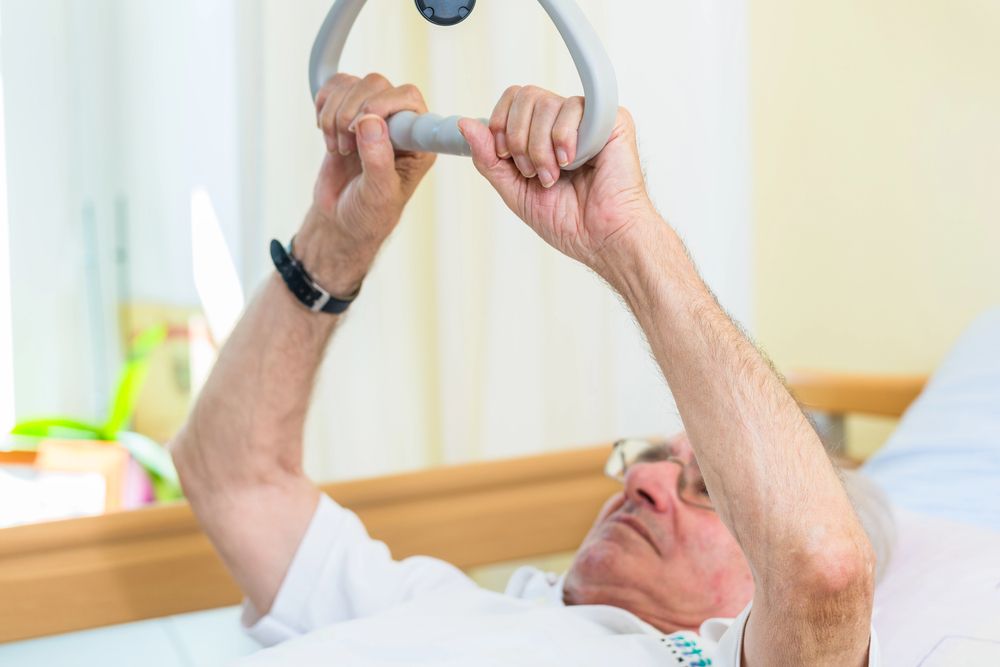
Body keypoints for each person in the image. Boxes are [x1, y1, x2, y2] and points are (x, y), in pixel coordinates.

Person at [170, 73, 881, 666]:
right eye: (653, 459)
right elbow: (230, 476)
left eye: (705, 491)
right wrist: (337, 238)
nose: (643, 478)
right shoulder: (446, 607)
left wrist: (626, 237)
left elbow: (822, 567)